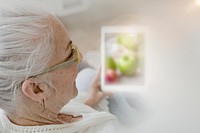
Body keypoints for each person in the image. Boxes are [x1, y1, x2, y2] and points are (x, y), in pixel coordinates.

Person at [0, 0, 120, 132]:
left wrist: (91, 103)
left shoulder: (15, 114)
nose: (80, 56)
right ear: (37, 89)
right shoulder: (106, 128)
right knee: (88, 75)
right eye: (70, 54)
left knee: (87, 77)